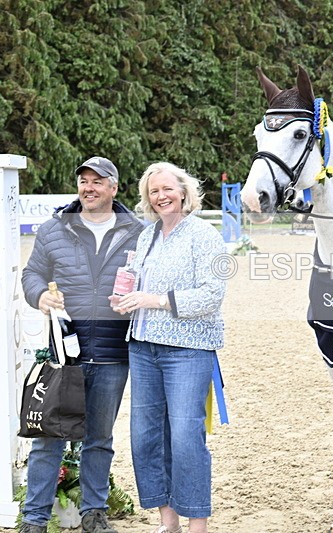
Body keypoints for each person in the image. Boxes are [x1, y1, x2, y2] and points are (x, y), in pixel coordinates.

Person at [20, 156, 144, 533]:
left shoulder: (138, 231)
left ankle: (94, 513)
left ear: (114, 188)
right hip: (63, 356)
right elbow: (32, 273)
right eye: (83, 181)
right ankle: (34, 519)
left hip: (112, 354)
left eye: (97, 181)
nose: (88, 188)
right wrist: (39, 295)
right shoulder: (53, 229)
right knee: (48, 439)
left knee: (99, 439)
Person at [111, 162, 226, 533]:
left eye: (167, 189)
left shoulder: (204, 234)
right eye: (153, 192)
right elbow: (137, 286)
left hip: (186, 350)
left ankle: (197, 525)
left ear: (184, 191)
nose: (161, 196)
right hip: (143, 347)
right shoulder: (147, 236)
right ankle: (168, 521)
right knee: (145, 436)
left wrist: (156, 300)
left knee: (186, 437)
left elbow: (211, 295)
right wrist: (126, 299)